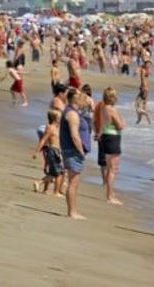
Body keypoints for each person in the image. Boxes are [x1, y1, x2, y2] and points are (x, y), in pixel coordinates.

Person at [59, 88, 90, 220]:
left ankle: (74, 210)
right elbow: (74, 135)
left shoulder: (74, 112)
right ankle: (72, 212)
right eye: (79, 95)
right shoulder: (72, 114)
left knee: (75, 182)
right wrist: (81, 151)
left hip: (72, 150)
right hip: (73, 151)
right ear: (74, 98)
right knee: (73, 182)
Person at [99, 87, 126, 205]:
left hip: (106, 136)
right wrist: (122, 122)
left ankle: (110, 192)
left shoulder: (103, 108)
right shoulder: (111, 109)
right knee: (113, 169)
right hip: (113, 137)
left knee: (110, 168)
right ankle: (110, 195)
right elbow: (120, 125)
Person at [33, 109, 64, 197]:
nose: (61, 119)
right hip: (53, 151)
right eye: (59, 117)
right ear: (54, 118)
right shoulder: (50, 127)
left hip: (57, 151)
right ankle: (56, 192)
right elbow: (43, 140)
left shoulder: (58, 128)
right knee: (59, 173)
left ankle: (42, 187)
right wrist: (37, 152)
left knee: (53, 172)